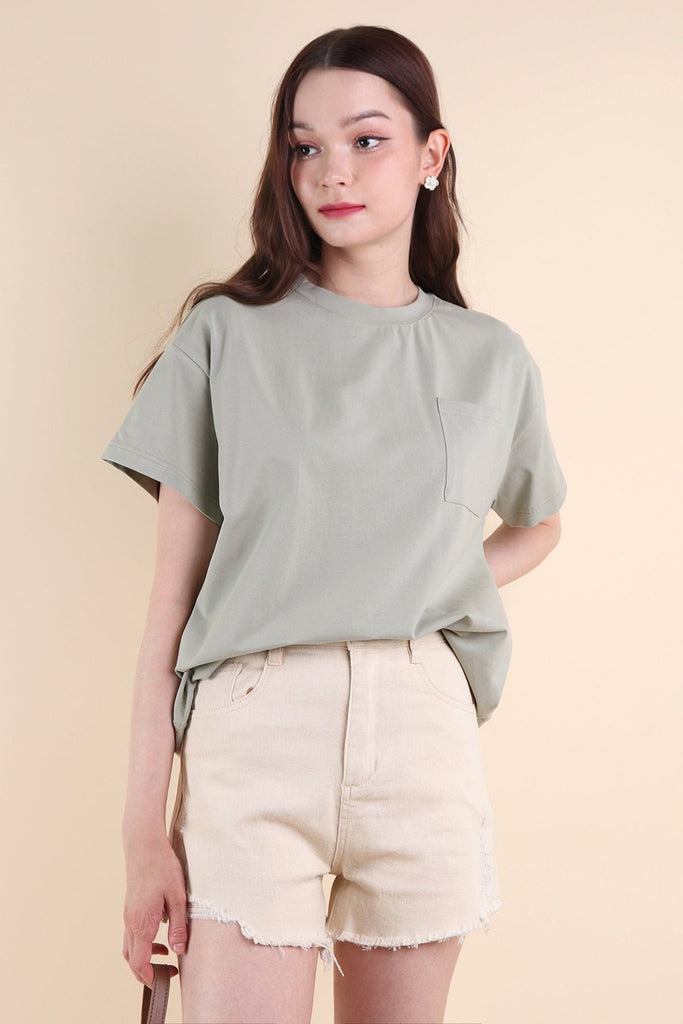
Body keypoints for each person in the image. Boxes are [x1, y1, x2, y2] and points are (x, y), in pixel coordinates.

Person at [102, 24, 567, 1024]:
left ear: (431, 155)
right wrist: (143, 836)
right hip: (256, 722)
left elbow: (540, 524)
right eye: (303, 146)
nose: (331, 171)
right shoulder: (225, 334)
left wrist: (436, 578)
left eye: (366, 140)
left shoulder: (488, 356)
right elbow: (170, 605)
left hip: (421, 725)